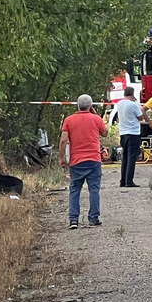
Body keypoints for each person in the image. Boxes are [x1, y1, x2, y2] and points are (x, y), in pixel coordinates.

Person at [59, 94, 109, 229]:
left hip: (76, 161)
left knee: (75, 189)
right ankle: (93, 218)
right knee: (94, 189)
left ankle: (73, 220)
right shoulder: (96, 119)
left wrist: (62, 158)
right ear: (91, 106)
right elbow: (105, 133)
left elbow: (63, 140)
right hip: (94, 159)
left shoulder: (69, 120)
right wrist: (96, 116)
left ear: (77, 105)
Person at [116, 86, 146, 189]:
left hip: (123, 133)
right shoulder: (133, 105)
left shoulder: (120, 103)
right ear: (133, 94)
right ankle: (129, 180)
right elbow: (140, 117)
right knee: (131, 158)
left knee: (125, 157)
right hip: (133, 132)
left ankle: (123, 180)